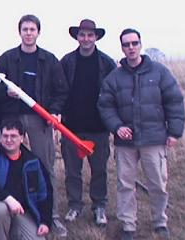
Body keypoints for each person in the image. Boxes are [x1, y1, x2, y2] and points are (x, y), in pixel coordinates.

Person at [98, 28, 185, 240]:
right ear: (122, 48)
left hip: (154, 139)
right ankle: (128, 225)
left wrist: (174, 132)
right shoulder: (114, 77)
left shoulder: (159, 72)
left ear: (140, 44)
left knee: (157, 183)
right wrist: (117, 127)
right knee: (125, 184)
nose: (131, 48)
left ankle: (159, 221)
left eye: (134, 43)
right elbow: (105, 106)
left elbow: (174, 101)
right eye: (126, 45)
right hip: (125, 142)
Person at [0, 14, 69, 237]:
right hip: (11, 120)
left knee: (45, 167)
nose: (29, 33)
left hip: (39, 120)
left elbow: (60, 90)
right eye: (25, 29)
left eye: (32, 29)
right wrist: (5, 92)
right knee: (2, 167)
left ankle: (50, 217)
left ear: (38, 32)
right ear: (19, 31)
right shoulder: (6, 59)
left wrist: (53, 111)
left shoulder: (50, 60)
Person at [60, 19, 116, 226]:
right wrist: (59, 114)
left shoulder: (107, 63)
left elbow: (114, 94)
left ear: (96, 37)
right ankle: (75, 205)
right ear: (77, 37)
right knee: (72, 171)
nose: (86, 38)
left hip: (99, 128)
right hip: (71, 128)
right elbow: (59, 90)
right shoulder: (66, 62)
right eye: (82, 35)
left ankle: (99, 206)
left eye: (90, 35)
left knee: (99, 170)